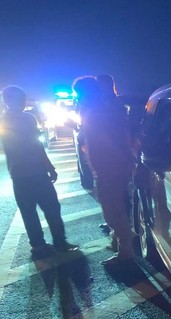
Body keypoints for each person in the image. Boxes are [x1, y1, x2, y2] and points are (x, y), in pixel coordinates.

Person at [0, 86, 78, 259]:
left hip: (18, 175)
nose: (23, 102)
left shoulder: (3, 120)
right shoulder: (27, 118)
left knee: (29, 212)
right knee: (52, 208)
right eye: (22, 99)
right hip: (36, 172)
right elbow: (37, 146)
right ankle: (60, 242)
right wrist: (49, 167)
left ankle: (38, 246)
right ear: (15, 100)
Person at [72, 75, 136, 266]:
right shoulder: (103, 109)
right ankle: (119, 243)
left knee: (112, 211)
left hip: (109, 168)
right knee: (115, 208)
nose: (77, 99)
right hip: (113, 167)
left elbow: (106, 142)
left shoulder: (97, 113)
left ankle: (126, 251)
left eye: (78, 94)